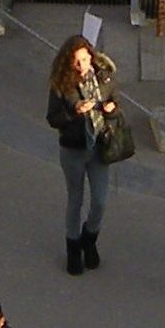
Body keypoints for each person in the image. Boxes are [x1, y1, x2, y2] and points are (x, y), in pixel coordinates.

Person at [46, 34, 125, 275]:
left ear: (91, 56)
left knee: (100, 201)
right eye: (76, 62)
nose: (82, 65)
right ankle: (73, 249)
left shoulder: (104, 77)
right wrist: (74, 112)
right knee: (75, 200)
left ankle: (89, 239)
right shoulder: (62, 85)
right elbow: (53, 118)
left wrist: (111, 110)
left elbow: (116, 106)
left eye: (85, 59)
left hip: (100, 147)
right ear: (68, 62)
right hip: (73, 150)